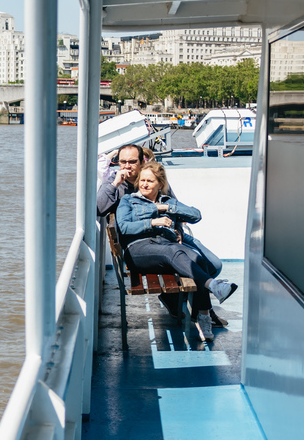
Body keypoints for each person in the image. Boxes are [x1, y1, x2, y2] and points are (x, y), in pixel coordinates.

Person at [97, 144, 227, 327]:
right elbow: (100, 208)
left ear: (141, 162)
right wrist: (114, 184)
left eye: (132, 162)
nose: (126, 166)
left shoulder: (154, 178)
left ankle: (176, 299)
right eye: (122, 162)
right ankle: (199, 310)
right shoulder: (117, 185)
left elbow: (177, 209)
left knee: (213, 264)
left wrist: (179, 231)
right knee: (185, 260)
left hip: (170, 236)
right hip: (143, 243)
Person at [115, 162, 237, 341]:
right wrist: (152, 222)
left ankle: (203, 318)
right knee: (172, 251)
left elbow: (196, 215)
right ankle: (213, 286)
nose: (144, 184)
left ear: (160, 184)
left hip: (166, 248)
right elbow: (124, 227)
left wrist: (166, 208)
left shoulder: (168, 201)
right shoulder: (129, 200)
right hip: (139, 250)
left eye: (150, 181)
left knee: (196, 258)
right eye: (142, 180)